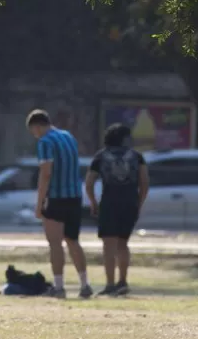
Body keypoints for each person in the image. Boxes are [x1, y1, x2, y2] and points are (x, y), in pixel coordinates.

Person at [27, 109, 93, 299]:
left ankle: (59, 287)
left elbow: (46, 173)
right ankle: (84, 284)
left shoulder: (45, 142)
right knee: (73, 241)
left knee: (55, 243)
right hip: (74, 196)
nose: (35, 135)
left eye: (34, 131)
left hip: (56, 197)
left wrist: (39, 204)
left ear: (37, 126)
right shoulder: (68, 137)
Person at [85, 123, 149, 296]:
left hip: (109, 203)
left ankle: (110, 284)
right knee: (123, 243)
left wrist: (93, 202)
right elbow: (144, 182)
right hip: (130, 203)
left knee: (108, 245)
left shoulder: (101, 156)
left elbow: (89, 182)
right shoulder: (137, 156)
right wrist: (139, 203)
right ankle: (123, 281)